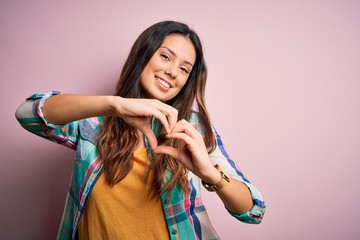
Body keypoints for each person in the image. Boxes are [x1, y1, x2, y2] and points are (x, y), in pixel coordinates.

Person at [15, 21, 266, 240]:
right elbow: (28, 113)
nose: (172, 72)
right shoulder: (95, 121)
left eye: (184, 69)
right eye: (165, 56)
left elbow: (254, 211)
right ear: (143, 55)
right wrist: (114, 104)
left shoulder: (192, 127)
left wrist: (210, 174)